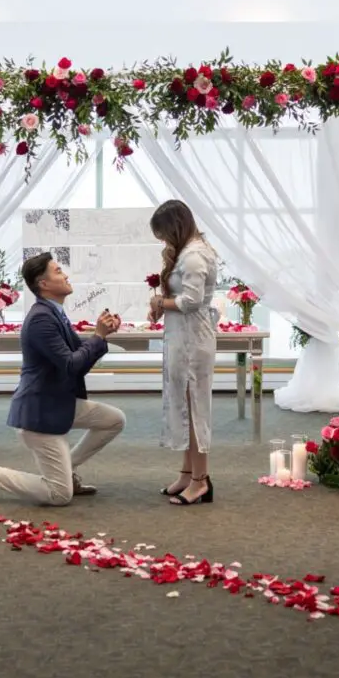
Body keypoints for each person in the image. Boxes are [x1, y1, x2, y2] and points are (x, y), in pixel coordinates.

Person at [0, 251, 125, 506]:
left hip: (56, 402)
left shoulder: (54, 313)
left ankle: (64, 469)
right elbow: (72, 365)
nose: (66, 275)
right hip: (40, 413)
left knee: (114, 420)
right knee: (60, 496)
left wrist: (101, 337)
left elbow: (77, 364)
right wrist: (98, 336)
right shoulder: (42, 318)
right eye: (59, 271)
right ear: (43, 284)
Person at [147, 200, 219, 506]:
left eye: (164, 235)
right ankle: (187, 473)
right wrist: (161, 306)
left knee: (195, 407)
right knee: (183, 405)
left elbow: (191, 301)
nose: (164, 242)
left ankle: (201, 480)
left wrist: (160, 304)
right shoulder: (188, 251)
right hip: (183, 335)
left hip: (194, 339)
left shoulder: (194, 256)